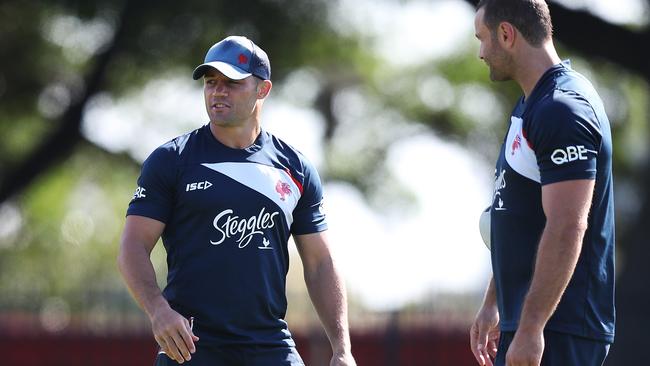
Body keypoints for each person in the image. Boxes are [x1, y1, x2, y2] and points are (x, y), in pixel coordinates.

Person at [117, 35, 356, 366]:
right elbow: (133, 246)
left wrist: (342, 350)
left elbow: (320, 264)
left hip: (271, 347)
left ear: (263, 90)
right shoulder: (171, 160)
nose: (218, 91)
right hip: (192, 348)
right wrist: (158, 311)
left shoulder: (295, 169)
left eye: (232, 83)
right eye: (211, 82)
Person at [470, 1, 615, 365]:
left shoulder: (562, 108)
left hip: (558, 329)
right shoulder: (530, 106)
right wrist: (495, 301)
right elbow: (522, 217)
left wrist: (533, 328)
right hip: (529, 324)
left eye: (483, 39)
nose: (481, 53)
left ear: (506, 34)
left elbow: (567, 225)